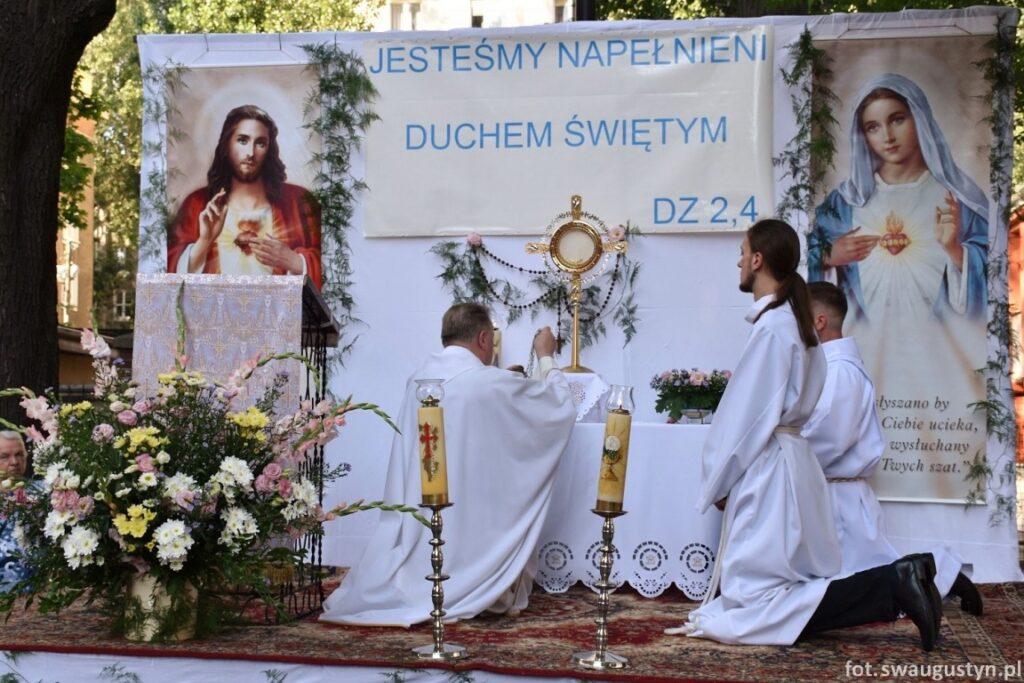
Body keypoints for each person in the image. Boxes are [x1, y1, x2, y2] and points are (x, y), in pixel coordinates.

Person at [668, 219, 941, 650]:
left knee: (755, 600)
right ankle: (898, 582)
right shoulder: (794, 324)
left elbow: (745, 417)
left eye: (742, 252)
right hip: (792, 460)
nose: (738, 261)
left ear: (758, 260)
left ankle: (895, 584)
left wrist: (719, 480)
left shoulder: (774, 328)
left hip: (770, 467)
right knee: (768, 589)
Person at [320, 303, 577, 626]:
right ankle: (478, 583)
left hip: (422, 517)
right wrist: (546, 357)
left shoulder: (419, 379)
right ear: (484, 339)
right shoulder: (487, 382)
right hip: (471, 522)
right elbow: (559, 407)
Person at [801, 281, 982, 614]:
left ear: (819, 321)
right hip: (832, 491)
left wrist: (788, 454)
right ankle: (942, 575)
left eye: (799, 316)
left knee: (866, 577)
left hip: (839, 495)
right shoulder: (830, 368)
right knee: (861, 575)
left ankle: (941, 574)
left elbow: (831, 436)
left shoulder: (840, 372)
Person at [810, 73, 987, 322]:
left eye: (897, 120)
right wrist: (827, 256)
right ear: (862, 135)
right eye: (873, 127)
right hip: (863, 336)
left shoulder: (958, 200)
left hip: (939, 338)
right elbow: (796, 259)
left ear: (919, 118)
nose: (887, 137)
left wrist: (956, 250)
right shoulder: (844, 202)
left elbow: (994, 267)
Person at [167, 104, 322, 289]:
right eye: (242, 140)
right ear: (227, 144)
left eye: (260, 143)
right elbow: (169, 279)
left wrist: (295, 261)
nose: (250, 153)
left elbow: (332, 263)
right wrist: (205, 241)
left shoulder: (299, 202)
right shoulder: (197, 204)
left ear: (269, 149)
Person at [0, 431, 31, 593]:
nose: (14, 462)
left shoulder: (47, 493)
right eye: (4, 457)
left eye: (19, 455)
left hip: (44, 589)